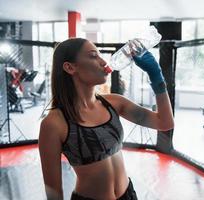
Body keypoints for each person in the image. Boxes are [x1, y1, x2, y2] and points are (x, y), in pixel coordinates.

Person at [38, 38, 174, 200]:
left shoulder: (114, 103)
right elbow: (53, 190)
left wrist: (157, 78)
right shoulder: (54, 123)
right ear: (70, 67)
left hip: (128, 195)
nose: (103, 61)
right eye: (93, 56)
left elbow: (164, 123)